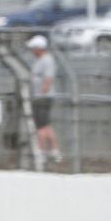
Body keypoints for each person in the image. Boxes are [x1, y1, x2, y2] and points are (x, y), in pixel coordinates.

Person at [26, 35, 62, 163]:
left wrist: (41, 94)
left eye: (33, 48)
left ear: (39, 48)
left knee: (40, 127)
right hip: (39, 97)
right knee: (45, 125)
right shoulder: (39, 60)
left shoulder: (47, 60)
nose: (32, 51)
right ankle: (53, 150)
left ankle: (42, 152)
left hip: (42, 98)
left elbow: (48, 79)